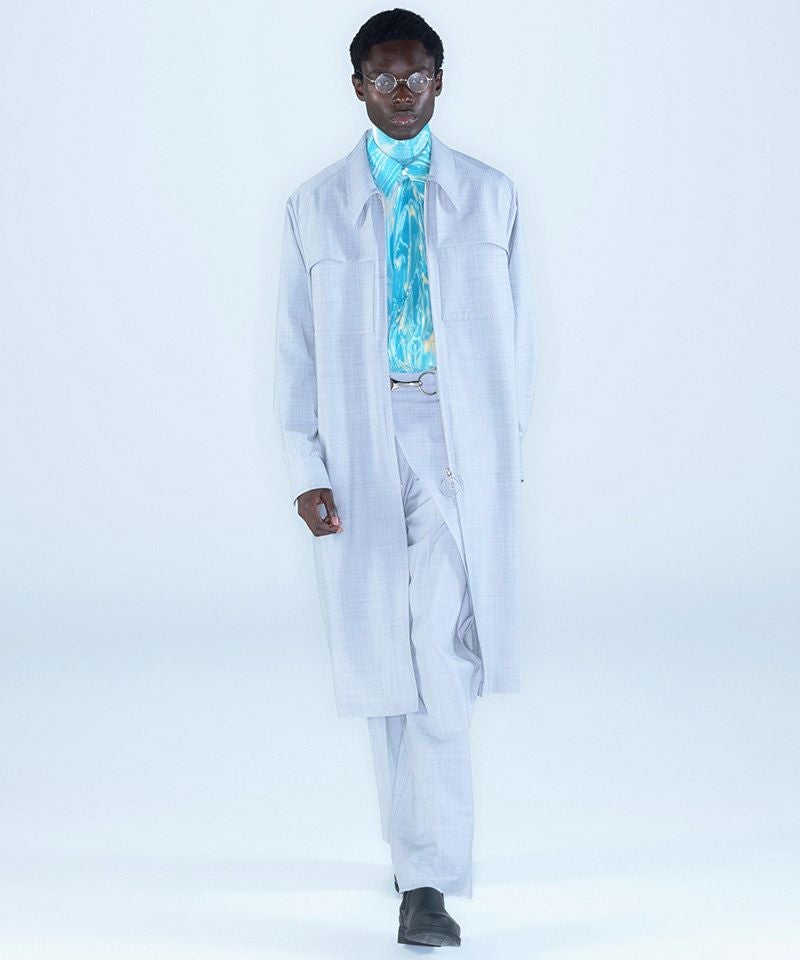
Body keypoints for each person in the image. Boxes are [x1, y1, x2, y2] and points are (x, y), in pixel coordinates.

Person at [273, 7, 538, 947]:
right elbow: (295, 348)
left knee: (440, 647)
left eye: (417, 74)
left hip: (456, 441)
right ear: (357, 86)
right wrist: (305, 464)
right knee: (388, 660)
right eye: (383, 76)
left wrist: (503, 451)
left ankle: (427, 881)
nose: (401, 91)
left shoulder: (491, 197)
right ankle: (412, 845)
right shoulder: (314, 206)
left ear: (439, 81)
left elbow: (521, 340)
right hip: (360, 438)